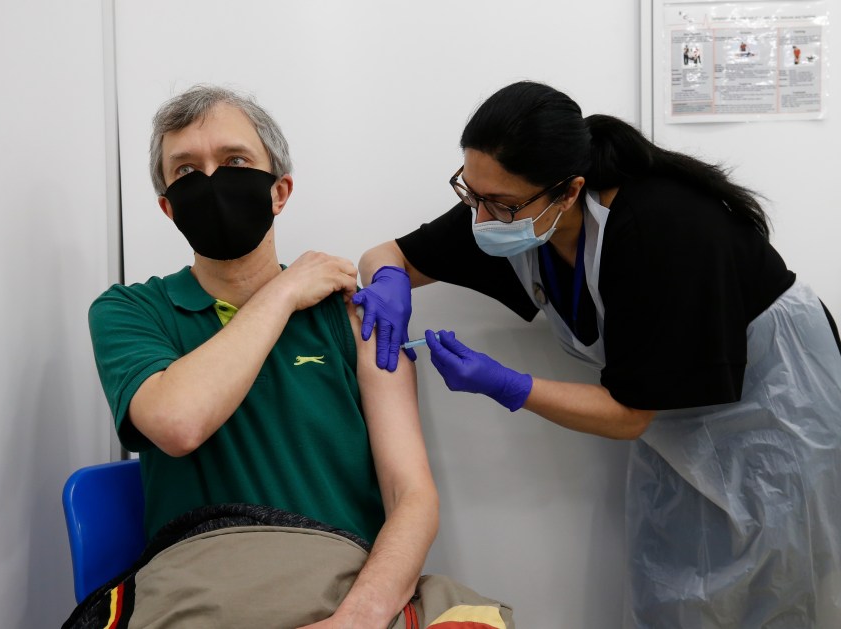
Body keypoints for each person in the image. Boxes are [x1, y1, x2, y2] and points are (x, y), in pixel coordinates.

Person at [354, 81, 841, 627]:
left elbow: (628, 414)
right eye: (471, 193)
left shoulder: (658, 228)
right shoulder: (511, 212)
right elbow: (388, 254)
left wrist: (505, 384)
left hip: (777, 402)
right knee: (675, 587)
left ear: (568, 190)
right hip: (674, 417)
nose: (482, 218)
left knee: (777, 589)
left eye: (500, 203)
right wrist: (390, 279)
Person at [81, 85, 512, 629]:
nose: (211, 180)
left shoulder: (354, 315)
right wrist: (283, 294)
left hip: (349, 587)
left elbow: (412, 496)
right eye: (186, 171)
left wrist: (356, 619)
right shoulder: (129, 312)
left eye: (235, 160)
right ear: (168, 208)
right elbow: (178, 422)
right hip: (203, 589)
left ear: (279, 191)